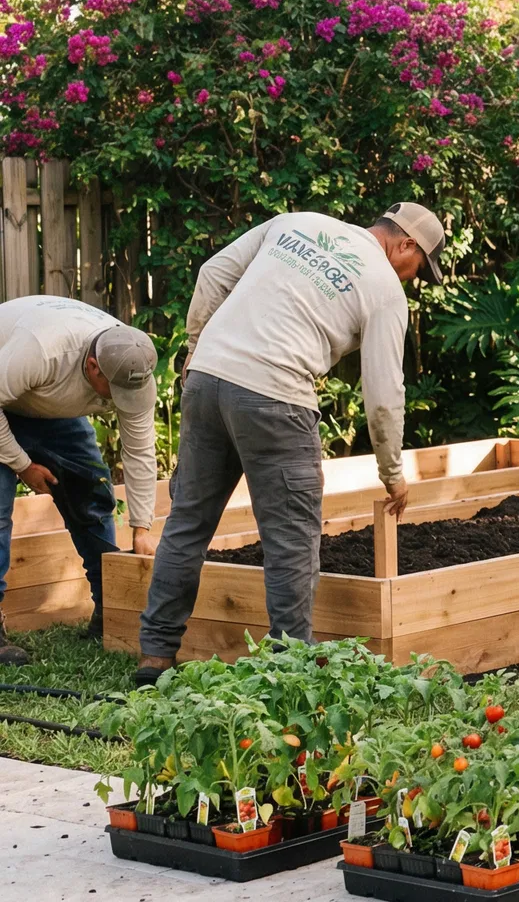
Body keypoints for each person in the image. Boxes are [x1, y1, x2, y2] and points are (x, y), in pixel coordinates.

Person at [133, 203, 445, 684]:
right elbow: (384, 394)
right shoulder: (384, 290)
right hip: (276, 400)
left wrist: (197, 350)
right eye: (418, 267)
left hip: (207, 379)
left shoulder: (298, 223)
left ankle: (154, 659)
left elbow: (212, 273)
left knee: (187, 524)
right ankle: (290, 673)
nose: (411, 278)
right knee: (291, 543)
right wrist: (392, 473)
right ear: (405, 244)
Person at [0, 297, 158, 661]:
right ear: (92, 366)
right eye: (115, 393)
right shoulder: (40, 349)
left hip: (51, 408)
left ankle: (110, 611)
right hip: (7, 394)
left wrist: (142, 527)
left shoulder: (129, 364)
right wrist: (22, 465)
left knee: (93, 495)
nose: (123, 400)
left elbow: (139, 453)